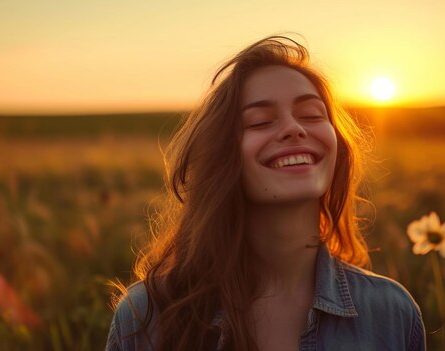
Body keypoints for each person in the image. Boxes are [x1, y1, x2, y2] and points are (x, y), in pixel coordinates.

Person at [106, 35, 426, 351]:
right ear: (222, 156)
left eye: (312, 115)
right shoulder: (146, 316)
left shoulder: (390, 313)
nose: (294, 128)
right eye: (260, 121)